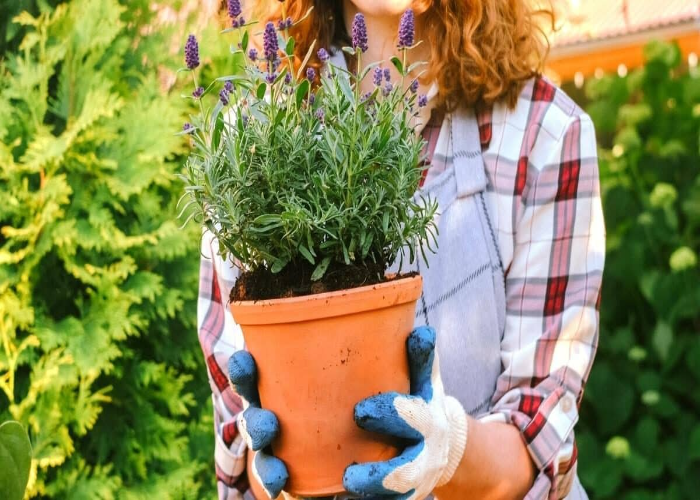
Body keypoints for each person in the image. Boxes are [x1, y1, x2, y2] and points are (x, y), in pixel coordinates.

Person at [197, 0, 605, 498]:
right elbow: (242, 439)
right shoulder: (251, 141)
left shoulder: (543, 135)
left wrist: (448, 450)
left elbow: (537, 448)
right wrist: (283, 470)